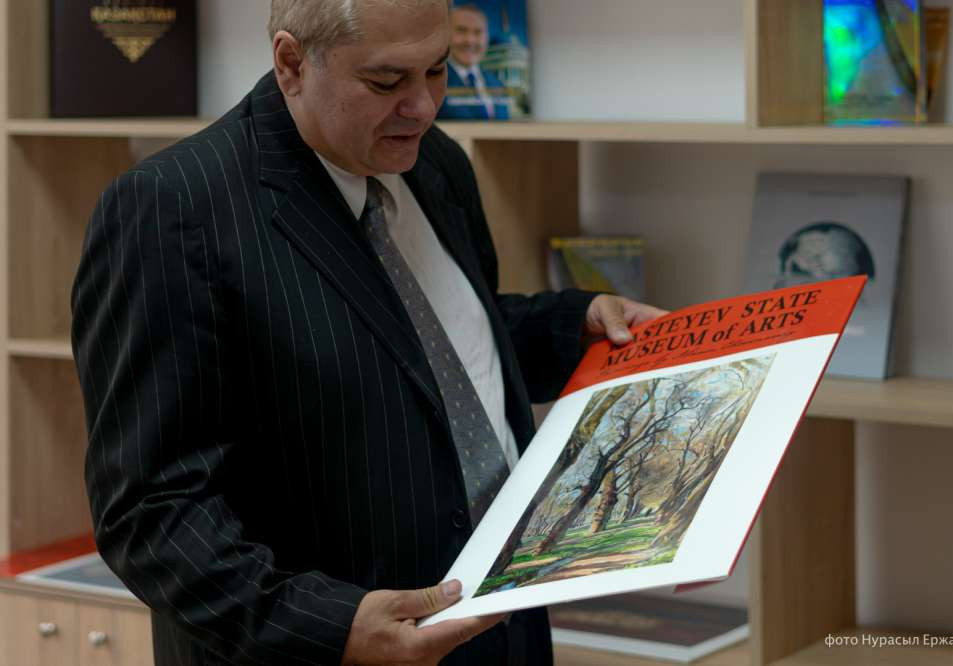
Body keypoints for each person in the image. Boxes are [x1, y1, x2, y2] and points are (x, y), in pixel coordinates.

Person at [71, 1, 665, 664]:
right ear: (292, 63)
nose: (424, 107)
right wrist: (332, 628)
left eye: (437, 70)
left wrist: (572, 326)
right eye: (386, 81)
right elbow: (150, 512)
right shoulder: (172, 208)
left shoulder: (435, 163)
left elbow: (435, 348)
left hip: (501, 632)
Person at [440, 3, 511, 120]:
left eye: (477, 32)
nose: (470, 40)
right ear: (445, 34)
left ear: (486, 38)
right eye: (461, 31)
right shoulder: (433, 81)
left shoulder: (497, 84)